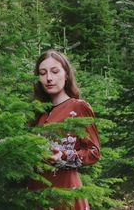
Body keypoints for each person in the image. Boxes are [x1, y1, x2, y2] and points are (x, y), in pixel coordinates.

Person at [29, 50, 101, 210]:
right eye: (42, 73)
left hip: (66, 190)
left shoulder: (78, 107)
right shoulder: (37, 111)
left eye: (55, 71)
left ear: (66, 74)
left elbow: (94, 152)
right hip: (36, 191)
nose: (49, 78)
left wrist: (63, 156)